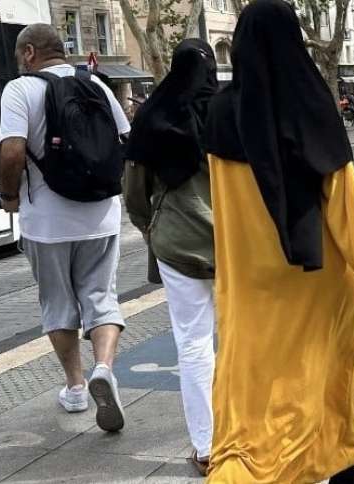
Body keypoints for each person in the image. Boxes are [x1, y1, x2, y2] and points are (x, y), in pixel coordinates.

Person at [203, 1, 354, 482]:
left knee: (256, 387)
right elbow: (345, 206)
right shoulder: (309, 105)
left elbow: (223, 204)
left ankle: (246, 470)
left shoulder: (218, 111)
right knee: (328, 372)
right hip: (316, 280)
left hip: (250, 280)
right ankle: (335, 467)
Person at [0, 24, 128, 430]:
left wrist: (10, 197)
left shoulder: (19, 89)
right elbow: (125, 138)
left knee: (58, 303)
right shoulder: (98, 86)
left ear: (30, 52)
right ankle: (103, 368)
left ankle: (74, 387)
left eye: (21, 54)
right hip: (101, 214)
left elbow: (13, 149)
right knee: (101, 297)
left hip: (47, 222)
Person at [123, 39, 217, 476]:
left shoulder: (153, 115)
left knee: (194, 343)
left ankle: (206, 445)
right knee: (238, 341)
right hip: (236, 246)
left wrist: (154, 230)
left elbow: (135, 194)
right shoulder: (227, 111)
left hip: (178, 246)